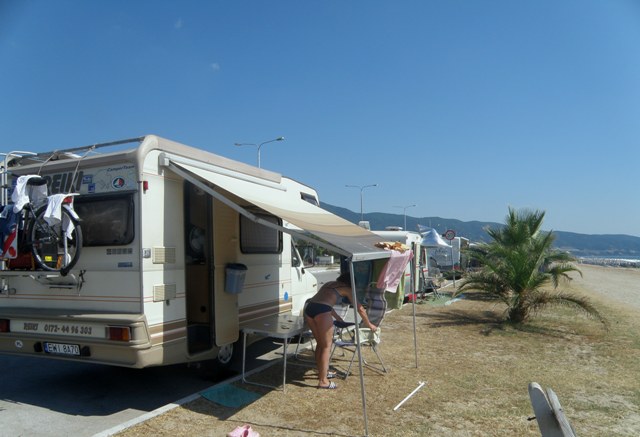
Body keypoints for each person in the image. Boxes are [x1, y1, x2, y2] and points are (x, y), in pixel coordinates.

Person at [303, 270, 377, 389]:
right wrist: (369, 324)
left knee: (320, 344)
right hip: (322, 311)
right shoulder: (347, 289)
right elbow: (360, 309)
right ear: (351, 283)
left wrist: (337, 317)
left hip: (309, 308)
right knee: (326, 346)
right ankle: (323, 381)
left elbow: (323, 302)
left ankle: (322, 372)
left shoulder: (329, 284)